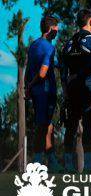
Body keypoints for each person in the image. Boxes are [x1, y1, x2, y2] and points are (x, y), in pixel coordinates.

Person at [60, 9, 91, 173]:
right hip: (87, 89)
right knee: (89, 125)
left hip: (71, 89)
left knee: (71, 126)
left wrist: (65, 89)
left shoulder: (68, 43)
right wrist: (79, 76)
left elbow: (63, 70)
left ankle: (69, 165)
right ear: (90, 22)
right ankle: (89, 165)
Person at [24, 15, 61, 170]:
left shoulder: (33, 45)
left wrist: (28, 87)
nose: (57, 32)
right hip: (45, 91)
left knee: (48, 126)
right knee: (42, 127)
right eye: (56, 29)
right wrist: (30, 86)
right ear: (50, 29)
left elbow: (28, 69)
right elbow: (42, 73)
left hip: (38, 92)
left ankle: (51, 161)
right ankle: (37, 162)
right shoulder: (49, 47)